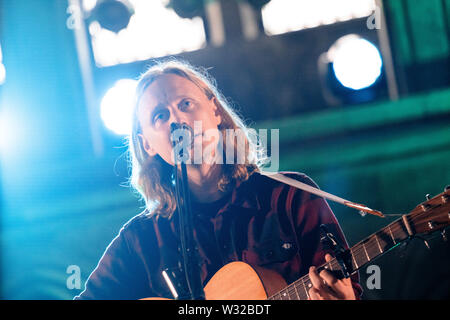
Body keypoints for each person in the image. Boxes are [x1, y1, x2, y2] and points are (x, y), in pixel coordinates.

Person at [74, 59, 361, 300]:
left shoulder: (290, 197)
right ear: (146, 144)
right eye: (160, 116)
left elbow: (343, 286)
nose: (178, 121)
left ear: (215, 111)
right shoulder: (140, 240)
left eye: (186, 103)